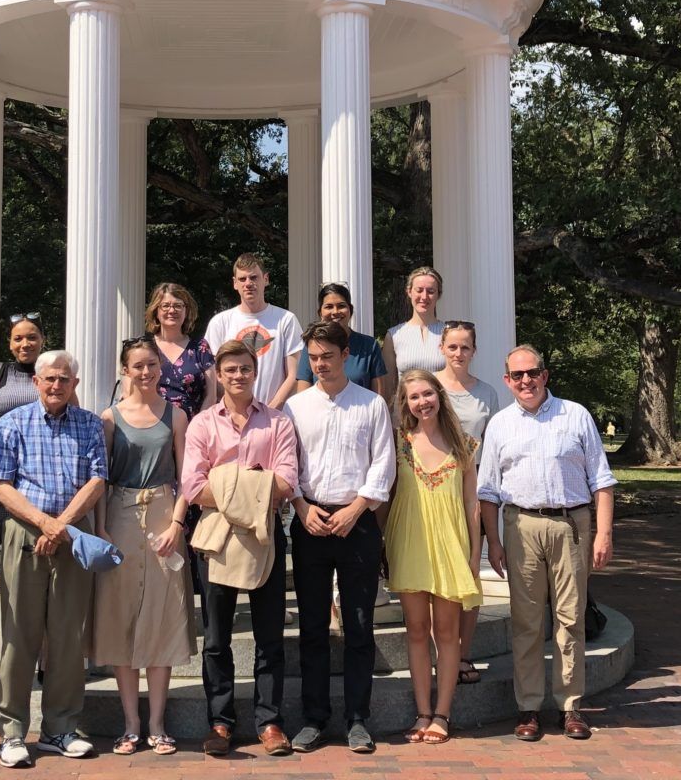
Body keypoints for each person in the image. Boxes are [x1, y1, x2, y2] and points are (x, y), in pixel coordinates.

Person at [477, 345, 616, 742]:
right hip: (520, 525)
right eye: (517, 375)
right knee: (526, 621)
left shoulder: (576, 416)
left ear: (545, 374)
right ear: (507, 380)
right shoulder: (501, 424)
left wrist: (603, 533)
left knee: (571, 620)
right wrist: (494, 543)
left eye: (532, 373)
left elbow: (602, 481)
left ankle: (570, 705)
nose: (526, 381)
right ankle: (529, 707)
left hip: (571, 524)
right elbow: (488, 490)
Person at [0, 350, 107, 768]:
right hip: (24, 534)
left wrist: (62, 525)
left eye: (64, 380)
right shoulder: (14, 422)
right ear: (36, 382)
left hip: (72, 536)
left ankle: (60, 728)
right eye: (49, 379)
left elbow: (97, 479)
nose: (56, 386)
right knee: (20, 634)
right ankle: (12, 731)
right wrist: (42, 522)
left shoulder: (89, 424)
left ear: (75, 384)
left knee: (68, 634)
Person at [182, 340, 299, 757]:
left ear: (255, 371)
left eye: (245, 369)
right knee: (216, 638)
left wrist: (226, 479)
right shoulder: (201, 425)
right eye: (229, 369)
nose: (237, 376)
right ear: (218, 373)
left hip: (265, 537)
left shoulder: (278, 423)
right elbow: (194, 487)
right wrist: (252, 481)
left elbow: (285, 484)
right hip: (216, 540)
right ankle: (220, 722)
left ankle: (269, 723)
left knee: (270, 637)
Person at [284, 321, 395, 754]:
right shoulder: (296, 407)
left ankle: (357, 718)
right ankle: (313, 718)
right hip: (310, 521)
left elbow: (383, 464)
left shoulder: (371, 405)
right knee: (313, 626)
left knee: (360, 625)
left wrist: (356, 509)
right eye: (313, 358)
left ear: (346, 354)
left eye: (327, 357)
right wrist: (300, 506)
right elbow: (286, 465)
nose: (319, 364)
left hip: (358, 523)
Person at [92, 336, 196, 756]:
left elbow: (188, 475)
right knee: (120, 615)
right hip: (119, 514)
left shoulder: (176, 414)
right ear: (125, 370)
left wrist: (177, 523)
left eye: (152, 364)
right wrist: (101, 529)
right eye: (138, 365)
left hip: (163, 513)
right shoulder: (109, 418)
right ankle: (130, 723)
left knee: (162, 612)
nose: (146, 372)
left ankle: (157, 721)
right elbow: (100, 479)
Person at [384, 369, 482, 745]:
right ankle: (422, 712)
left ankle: (443, 713)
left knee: (447, 633)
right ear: (405, 404)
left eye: (428, 393)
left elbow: (472, 503)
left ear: (439, 395)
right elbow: (388, 495)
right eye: (414, 397)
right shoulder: (398, 444)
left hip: (451, 545)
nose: (422, 402)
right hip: (410, 543)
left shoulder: (465, 446)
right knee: (416, 631)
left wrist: (475, 556)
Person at [434, 321, 500, 686]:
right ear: (442, 348)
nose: (459, 353)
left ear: (474, 351)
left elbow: (491, 449)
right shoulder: (428, 386)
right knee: (438, 574)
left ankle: (462, 653)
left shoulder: (486, 394)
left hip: (471, 489)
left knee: (471, 570)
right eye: (453, 346)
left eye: (465, 347)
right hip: (433, 488)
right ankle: (440, 652)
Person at [204, 253, 303, 408]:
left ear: (266, 279)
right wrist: (236, 409)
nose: (248, 283)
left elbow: (293, 375)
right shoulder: (220, 322)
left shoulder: (286, 319)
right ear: (234, 283)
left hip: (275, 416)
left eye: (254, 278)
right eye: (242, 279)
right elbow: (214, 374)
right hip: (231, 417)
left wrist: (269, 411)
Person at [122, 283, 216, 420]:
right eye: (165, 306)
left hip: (192, 431)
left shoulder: (200, 348)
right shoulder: (141, 347)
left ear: (186, 311)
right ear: (156, 311)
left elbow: (211, 396)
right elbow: (128, 392)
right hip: (149, 427)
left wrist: (198, 428)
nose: (172, 310)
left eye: (178, 305)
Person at [0, 313, 76, 430]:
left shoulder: (57, 374)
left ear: (43, 341)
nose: (25, 344)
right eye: (18, 339)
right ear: (10, 344)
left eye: (32, 337)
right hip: (7, 446)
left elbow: (76, 419)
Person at [294, 283, 386, 396]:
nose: (335, 311)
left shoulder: (369, 346)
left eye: (341, 306)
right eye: (329, 307)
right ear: (320, 313)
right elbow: (303, 396)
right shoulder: (311, 346)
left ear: (350, 310)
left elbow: (379, 397)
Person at [382, 266, 446, 396]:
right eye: (419, 290)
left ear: (438, 294)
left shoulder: (449, 333)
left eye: (431, 291)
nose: (424, 296)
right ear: (409, 292)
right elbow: (388, 387)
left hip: (441, 411)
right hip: (404, 413)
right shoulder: (394, 335)